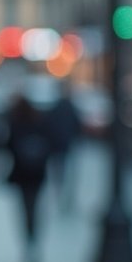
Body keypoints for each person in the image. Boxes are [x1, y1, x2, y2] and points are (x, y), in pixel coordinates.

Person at [5, 94, 53, 262]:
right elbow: (50, 144)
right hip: (36, 174)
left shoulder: (16, 123)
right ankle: (32, 238)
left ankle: (29, 238)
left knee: (26, 208)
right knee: (33, 207)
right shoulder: (40, 122)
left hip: (23, 174)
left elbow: (8, 146)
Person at [45, 84, 82, 214]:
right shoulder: (71, 108)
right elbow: (77, 126)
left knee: (59, 173)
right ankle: (65, 197)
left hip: (58, 146)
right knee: (67, 173)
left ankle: (60, 194)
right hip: (66, 145)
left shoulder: (55, 108)